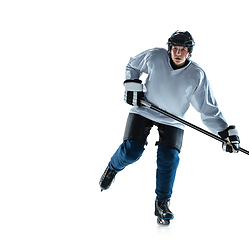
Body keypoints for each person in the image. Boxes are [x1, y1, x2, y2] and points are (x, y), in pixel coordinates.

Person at [99, 30, 240, 225]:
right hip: (144, 109)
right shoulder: (155, 56)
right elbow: (132, 64)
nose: (178, 53)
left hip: (173, 119)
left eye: (183, 49)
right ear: (169, 49)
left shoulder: (196, 75)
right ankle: (112, 168)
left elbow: (208, 109)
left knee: (169, 159)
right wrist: (132, 84)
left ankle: (162, 203)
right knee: (132, 150)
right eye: (175, 48)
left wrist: (224, 132)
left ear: (189, 52)